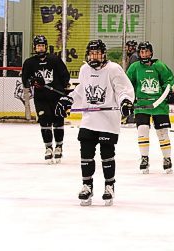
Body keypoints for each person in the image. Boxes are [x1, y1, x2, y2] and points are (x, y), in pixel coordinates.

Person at [55, 39, 135, 206]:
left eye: (97, 53)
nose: (94, 56)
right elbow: (81, 91)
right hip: (89, 120)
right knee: (86, 154)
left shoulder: (113, 69)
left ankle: (109, 186)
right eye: (92, 53)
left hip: (108, 122)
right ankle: (87, 185)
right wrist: (68, 100)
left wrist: (125, 102)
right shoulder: (85, 69)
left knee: (107, 155)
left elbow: (123, 90)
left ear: (104, 54)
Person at [126, 41, 174, 174]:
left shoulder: (159, 66)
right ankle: (144, 158)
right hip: (142, 105)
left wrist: (169, 92)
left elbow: (169, 80)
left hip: (159, 104)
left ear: (151, 52)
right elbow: (127, 84)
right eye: (142, 52)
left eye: (146, 51)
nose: (144, 54)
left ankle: (167, 158)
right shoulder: (134, 67)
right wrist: (128, 99)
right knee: (142, 130)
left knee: (162, 132)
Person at [22, 35, 70, 164]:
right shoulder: (29, 62)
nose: (40, 48)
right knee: (45, 122)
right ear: (34, 47)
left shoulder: (54, 59)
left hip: (57, 97)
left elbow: (65, 75)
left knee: (58, 121)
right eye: (38, 46)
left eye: (42, 45)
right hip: (41, 98)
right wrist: (32, 81)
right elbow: (25, 81)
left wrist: (65, 89)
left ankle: (59, 146)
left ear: (46, 46)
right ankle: (48, 147)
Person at [123, 40, 139, 126]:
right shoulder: (134, 55)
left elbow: (133, 71)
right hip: (134, 82)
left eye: (129, 47)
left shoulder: (134, 56)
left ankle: (132, 118)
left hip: (133, 83)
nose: (128, 49)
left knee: (132, 99)